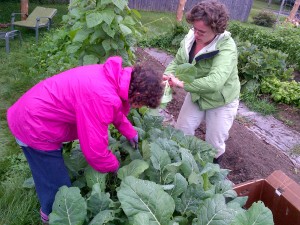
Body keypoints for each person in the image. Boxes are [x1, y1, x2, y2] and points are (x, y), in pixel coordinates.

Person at [7, 56, 164, 224]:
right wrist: (116, 167)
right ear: (138, 95)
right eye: (144, 104)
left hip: (37, 112)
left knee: (49, 173)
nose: (140, 107)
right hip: (33, 125)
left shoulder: (113, 77)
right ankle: (51, 216)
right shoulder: (102, 96)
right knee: (58, 188)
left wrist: (128, 131)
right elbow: (94, 152)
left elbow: (114, 108)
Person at [164, 0, 240, 164]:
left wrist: (182, 84)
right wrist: (167, 75)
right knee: (181, 132)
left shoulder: (226, 47)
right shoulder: (190, 38)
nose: (196, 34)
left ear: (216, 30)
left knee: (214, 144)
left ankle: (211, 175)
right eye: (194, 28)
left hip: (221, 100)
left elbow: (215, 82)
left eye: (202, 31)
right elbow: (177, 62)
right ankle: (180, 164)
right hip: (197, 94)